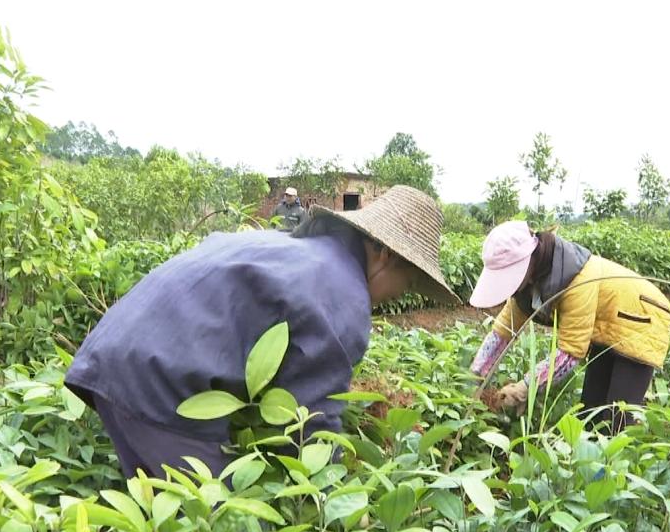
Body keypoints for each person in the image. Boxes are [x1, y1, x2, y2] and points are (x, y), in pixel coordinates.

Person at [65, 185, 457, 478]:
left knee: (160, 513)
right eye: (406, 285)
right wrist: (341, 509)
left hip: (115, 355)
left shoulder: (295, 251)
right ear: (385, 254)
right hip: (157, 383)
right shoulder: (344, 295)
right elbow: (311, 424)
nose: (394, 299)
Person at [468, 220, 670, 431]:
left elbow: (569, 353)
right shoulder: (526, 289)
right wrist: (475, 377)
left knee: (617, 419)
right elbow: (502, 332)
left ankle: (615, 461)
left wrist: (525, 387)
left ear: (527, 261)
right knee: (590, 413)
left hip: (643, 318)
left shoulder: (577, 279)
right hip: (606, 328)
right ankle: (591, 460)